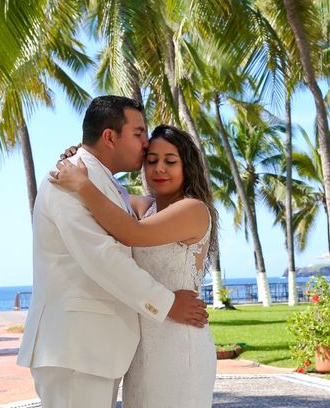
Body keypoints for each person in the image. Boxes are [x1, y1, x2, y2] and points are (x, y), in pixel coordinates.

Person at [16, 96, 208, 408]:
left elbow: (130, 229)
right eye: (139, 134)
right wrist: (168, 303)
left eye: (170, 160)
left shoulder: (105, 185)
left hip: (102, 350)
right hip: (76, 348)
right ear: (109, 136)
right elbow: (102, 258)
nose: (146, 145)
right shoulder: (70, 181)